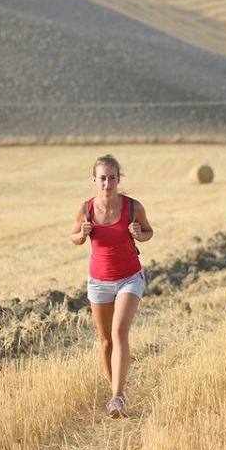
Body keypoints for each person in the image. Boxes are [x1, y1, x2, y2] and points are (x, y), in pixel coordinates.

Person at [69, 155, 153, 418]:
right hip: (98, 282)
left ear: (119, 179)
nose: (107, 183)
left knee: (119, 332)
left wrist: (140, 234)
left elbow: (149, 231)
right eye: (102, 178)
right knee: (105, 342)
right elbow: (74, 237)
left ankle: (116, 397)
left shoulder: (132, 207)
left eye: (112, 177)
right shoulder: (86, 209)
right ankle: (116, 393)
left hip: (130, 278)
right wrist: (81, 234)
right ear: (95, 180)